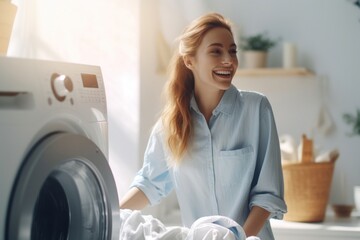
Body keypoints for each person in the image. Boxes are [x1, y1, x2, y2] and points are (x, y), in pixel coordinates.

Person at [120, 12, 287, 240]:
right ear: (190, 61)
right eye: (216, 51)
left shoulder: (256, 109)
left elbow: (267, 196)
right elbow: (149, 184)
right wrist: (110, 215)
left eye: (232, 51)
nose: (228, 59)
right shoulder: (171, 124)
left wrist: (238, 238)